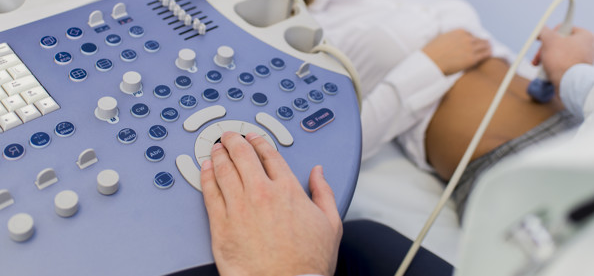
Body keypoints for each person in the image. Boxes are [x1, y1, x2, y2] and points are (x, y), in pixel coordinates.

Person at [246, 0, 586, 218]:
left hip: (577, 122)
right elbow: (342, 140)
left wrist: (561, 69)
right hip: (505, 162)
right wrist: (429, 65)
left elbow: (497, 55)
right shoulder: (317, 35)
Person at [174, 25, 594, 276]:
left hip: (562, 158)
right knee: (361, 240)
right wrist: (577, 73)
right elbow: (354, 133)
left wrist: (291, 268)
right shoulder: (331, 26)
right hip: (554, 146)